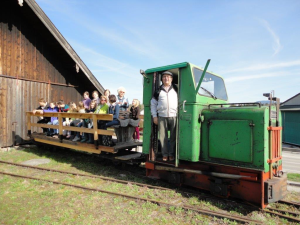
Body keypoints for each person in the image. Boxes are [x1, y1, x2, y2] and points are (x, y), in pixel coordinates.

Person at [150, 71, 178, 162]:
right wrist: (154, 116)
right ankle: (165, 154)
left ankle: (171, 154)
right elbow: (153, 103)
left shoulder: (176, 89)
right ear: (162, 79)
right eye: (164, 77)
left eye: (168, 77)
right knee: (163, 137)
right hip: (162, 116)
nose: (166, 78)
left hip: (174, 116)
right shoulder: (158, 90)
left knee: (173, 137)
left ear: (171, 79)